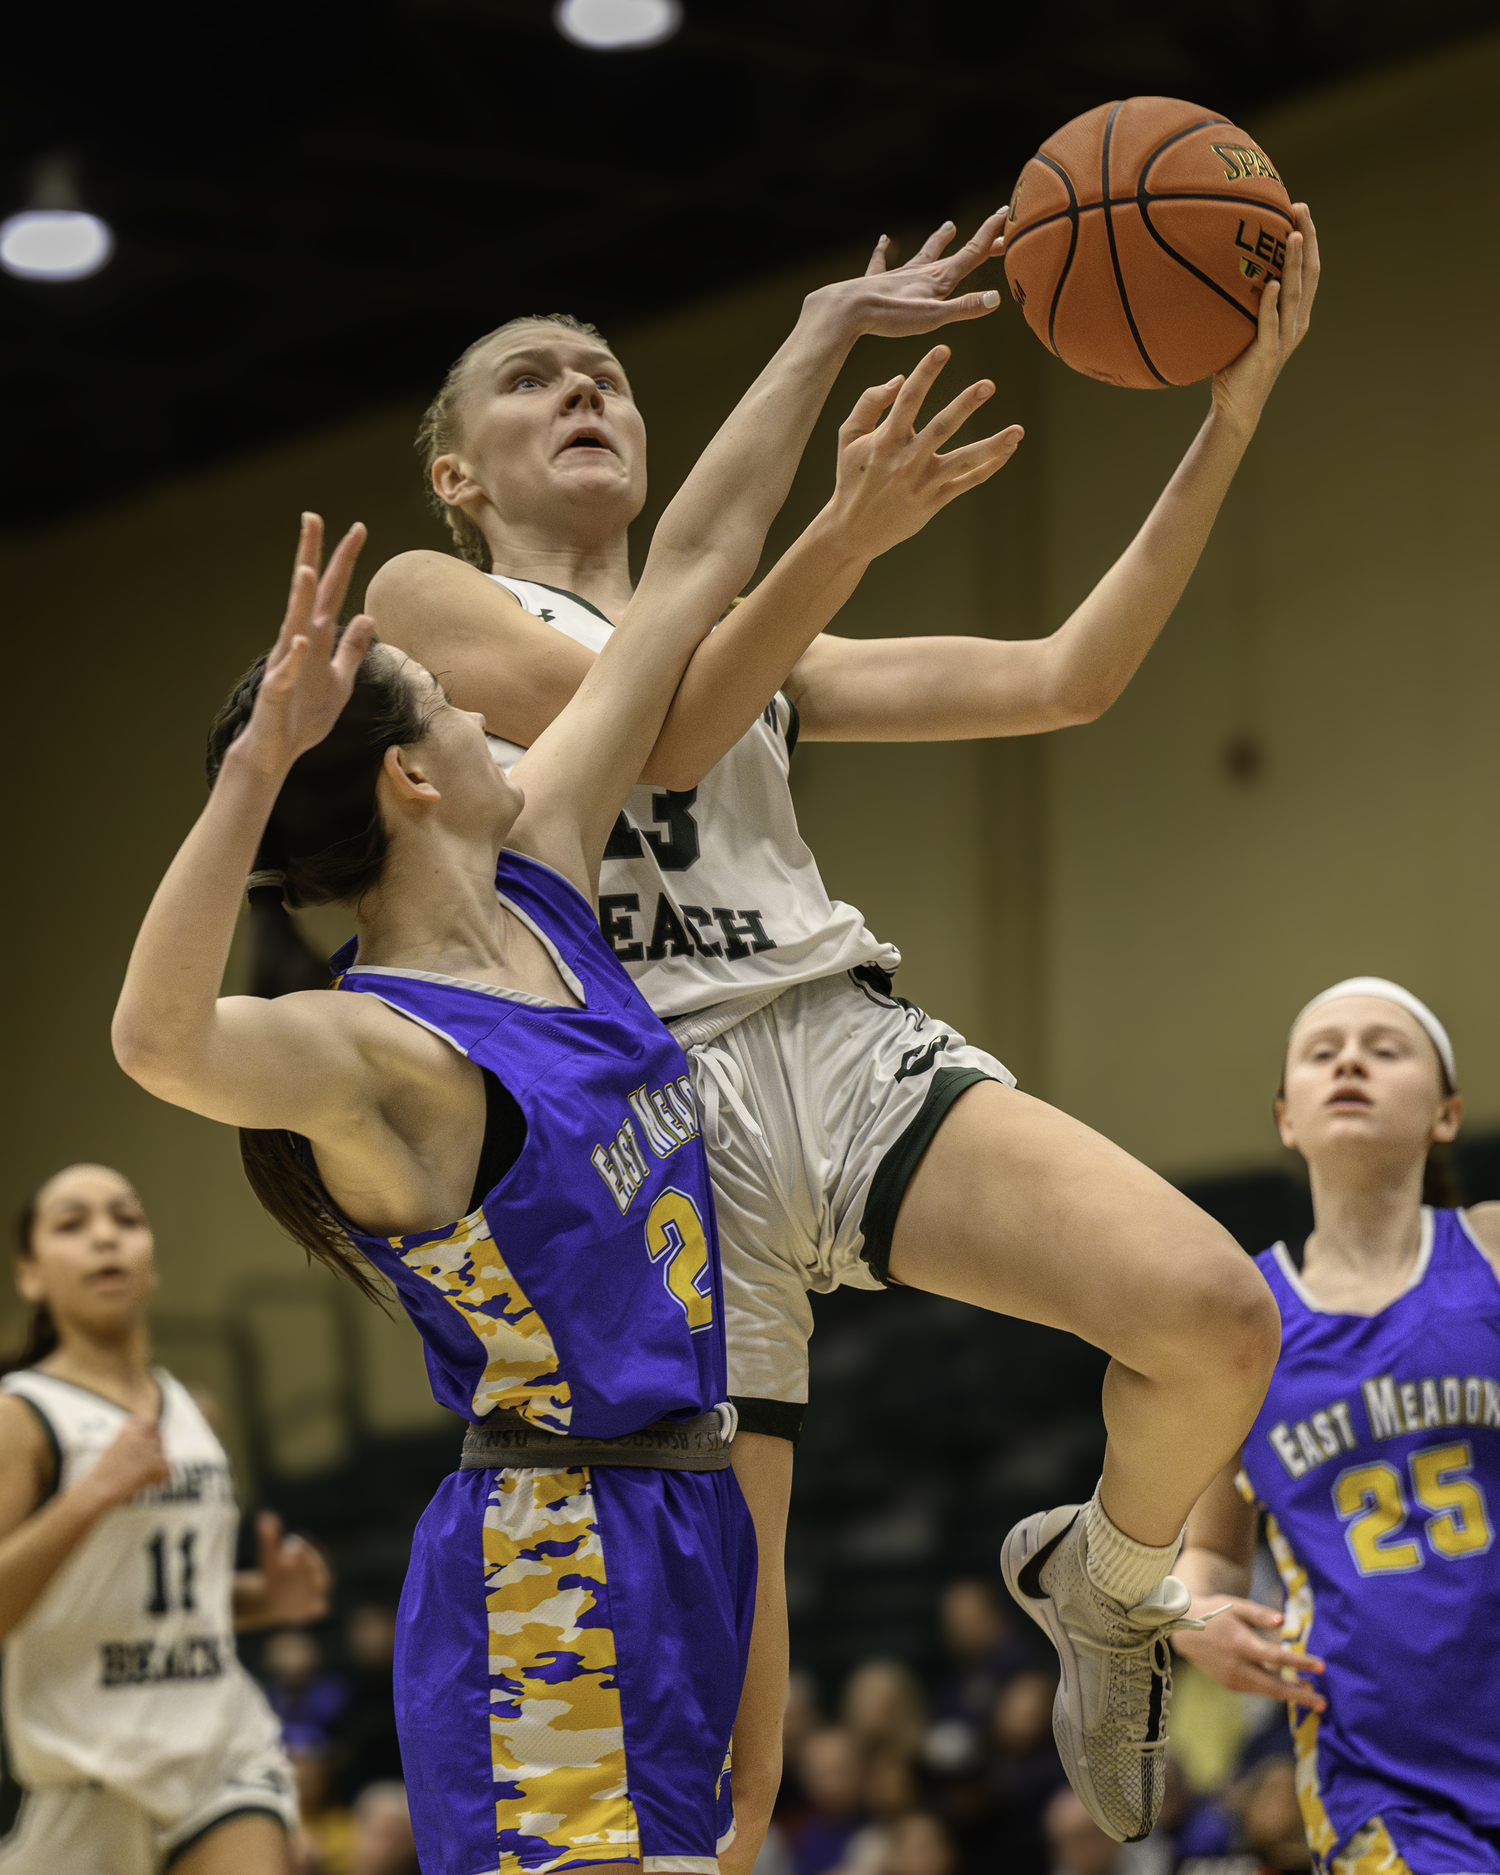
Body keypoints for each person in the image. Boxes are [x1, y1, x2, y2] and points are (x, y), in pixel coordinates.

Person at [361, 209, 1321, 1849]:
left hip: (829, 1035)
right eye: (532, 381)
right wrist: (826, 409)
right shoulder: (422, 602)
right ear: (461, 471)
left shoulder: (743, 631)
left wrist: (1233, 413)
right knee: (740, 1775)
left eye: (605, 375)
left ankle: (1101, 1579)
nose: (584, 387)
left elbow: (1067, 674)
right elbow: (658, 735)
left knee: (1216, 1316)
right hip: (648, 1124)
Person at [110, 257, 1023, 1875]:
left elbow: (687, 584)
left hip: (681, 1511)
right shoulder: (378, 1041)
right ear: (411, 773)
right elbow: (156, 1043)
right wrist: (251, 777)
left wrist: (816, 342)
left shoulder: (542, 881)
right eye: (447, 701)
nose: (491, 709)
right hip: (554, 1537)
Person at [1171, 979, 1500, 1875]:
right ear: (1286, 1117)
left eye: (1385, 1048)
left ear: (1446, 1112)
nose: (1350, 1058)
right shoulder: (1244, 1318)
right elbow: (1209, 1556)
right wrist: (1193, 1614)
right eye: (1322, 1051)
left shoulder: (1491, 1251)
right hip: (1382, 1770)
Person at [0, 1162, 331, 1874]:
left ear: (150, 1261)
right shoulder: (21, 1414)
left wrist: (265, 1598)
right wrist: (91, 1495)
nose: (105, 1237)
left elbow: (158, 1598)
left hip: (220, 1751)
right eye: (72, 1223)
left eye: (126, 1217)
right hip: (85, 1772)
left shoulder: (192, 1408)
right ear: (30, 1274)